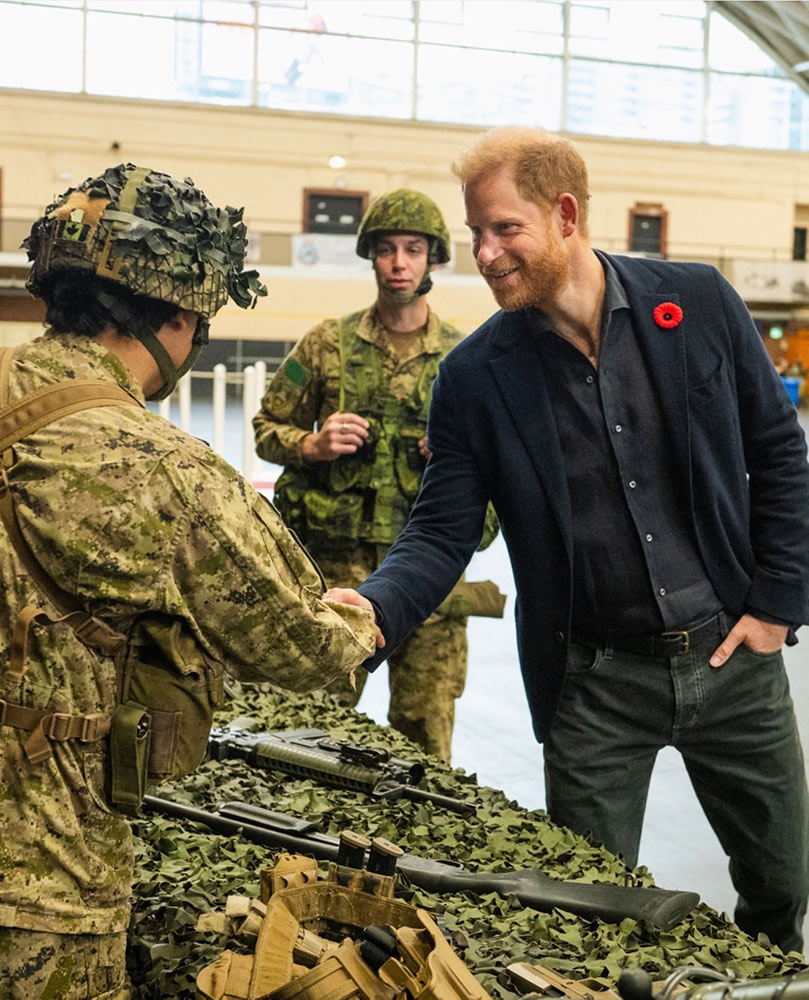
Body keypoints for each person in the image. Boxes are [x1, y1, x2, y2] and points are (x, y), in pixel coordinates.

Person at [327, 128, 809, 953]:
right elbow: (440, 530)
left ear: (564, 215)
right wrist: (375, 609)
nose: (483, 253)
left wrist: (774, 606)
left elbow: (778, 454)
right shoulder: (474, 376)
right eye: (475, 232)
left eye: (503, 229)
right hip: (593, 686)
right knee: (587, 914)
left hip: (732, 661)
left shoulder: (696, 302)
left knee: (783, 884)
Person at [0, 163, 376, 1000]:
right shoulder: (167, 470)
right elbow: (305, 650)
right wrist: (355, 619)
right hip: (43, 885)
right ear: (177, 317)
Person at [253, 188, 501, 763]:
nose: (398, 263)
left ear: (433, 258)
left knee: (423, 741)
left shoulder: (464, 358)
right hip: (333, 582)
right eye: (387, 249)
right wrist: (312, 444)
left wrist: (454, 459)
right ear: (371, 256)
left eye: (413, 249)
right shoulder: (326, 345)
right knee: (309, 734)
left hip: (428, 585)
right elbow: (268, 427)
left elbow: (497, 476)